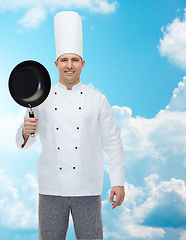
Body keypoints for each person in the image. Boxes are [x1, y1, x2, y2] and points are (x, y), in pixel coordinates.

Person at [16, 11, 125, 240]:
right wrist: (25, 132)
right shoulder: (40, 98)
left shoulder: (98, 99)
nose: (69, 66)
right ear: (56, 64)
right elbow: (26, 139)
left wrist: (118, 182)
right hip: (50, 189)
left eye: (74, 60)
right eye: (64, 60)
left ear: (82, 64)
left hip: (88, 187)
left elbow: (113, 143)